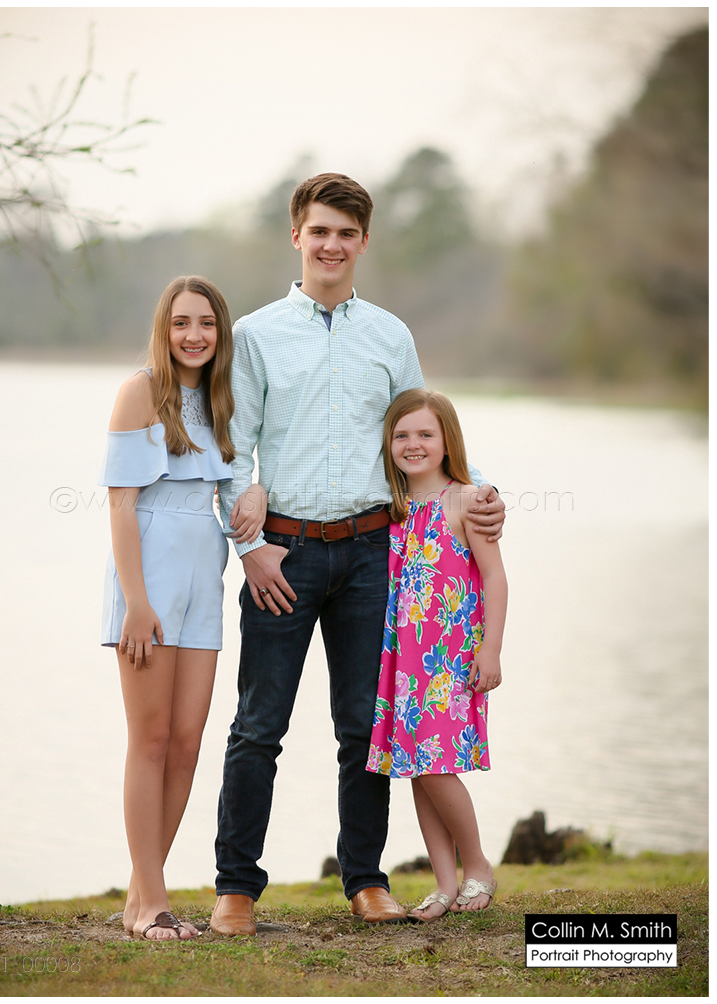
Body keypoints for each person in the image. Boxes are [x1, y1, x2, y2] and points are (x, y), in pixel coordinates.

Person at [210, 173, 506, 936]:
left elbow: (422, 434)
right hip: (283, 555)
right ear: (297, 236)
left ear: (363, 242)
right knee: (258, 726)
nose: (332, 245)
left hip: (376, 555)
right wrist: (251, 549)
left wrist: (476, 495)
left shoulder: (390, 335)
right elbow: (233, 450)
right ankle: (236, 889)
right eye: (320, 231)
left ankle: (366, 881)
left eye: (346, 233)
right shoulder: (257, 335)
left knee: (363, 730)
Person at [99, 275, 267, 941]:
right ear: (163, 331)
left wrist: (258, 499)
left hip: (206, 577)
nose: (194, 335)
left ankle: (141, 896)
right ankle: (153, 903)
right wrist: (136, 603)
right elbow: (121, 505)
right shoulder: (141, 392)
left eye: (206, 323)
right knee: (151, 739)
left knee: (188, 743)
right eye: (181, 323)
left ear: (221, 332)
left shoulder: (222, 399)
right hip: (150, 580)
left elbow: (233, 487)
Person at [367, 389, 507, 919]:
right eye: (401, 435)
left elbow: (495, 577)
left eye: (426, 434)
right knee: (417, 768)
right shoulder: (393, 507)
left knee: (436, 766)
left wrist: (491, 650)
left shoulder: (468, 500)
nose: (413, 444)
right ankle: (445, 883)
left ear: (448, 441)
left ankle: (478, 866)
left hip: (449, 656)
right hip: (403, 661)